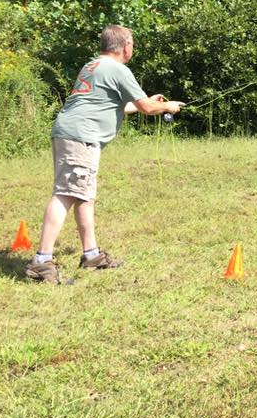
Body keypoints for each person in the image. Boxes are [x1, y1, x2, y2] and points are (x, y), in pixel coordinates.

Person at [24, 25, 184, 284]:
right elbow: (146, 107)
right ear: (125, 46)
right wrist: (167, 105)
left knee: (84, 196)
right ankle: (42, 261)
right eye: (132, 43)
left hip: (71, 132)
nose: (133, 48)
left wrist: (151, 102)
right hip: (81, 137)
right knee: (65, 193)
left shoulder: (93, 66)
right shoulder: (118, 69)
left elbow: (115, 104)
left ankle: (92, 255)